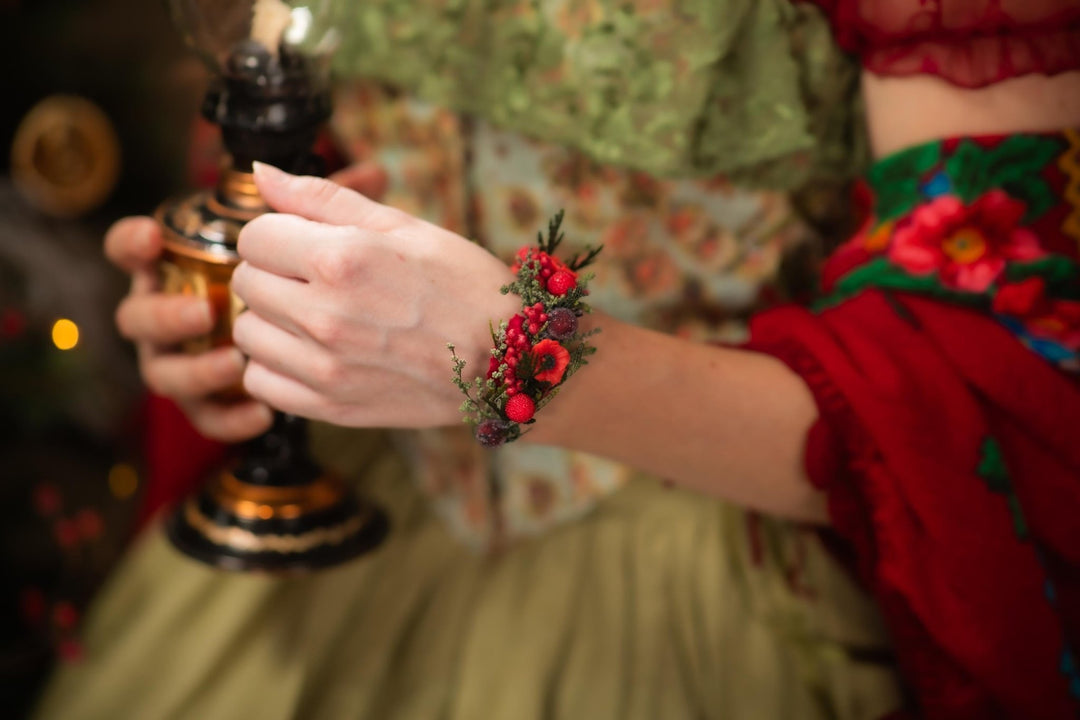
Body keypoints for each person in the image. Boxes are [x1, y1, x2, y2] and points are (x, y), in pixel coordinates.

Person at [36, 1, 1080, 718]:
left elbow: (989, 387)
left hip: (703, 572)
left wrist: (521, 360)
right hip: (339, 535)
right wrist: (247, 311)